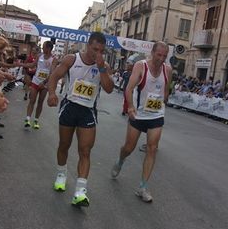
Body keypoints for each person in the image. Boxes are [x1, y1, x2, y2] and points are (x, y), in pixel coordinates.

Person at [47, 32, 114, 207]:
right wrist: (52, 93)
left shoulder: (103, 66)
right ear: (87, 45)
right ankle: (61, 174)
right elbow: (54, 76)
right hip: (69, 107)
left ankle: (80, 191)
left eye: (101, 50)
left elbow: (108, 89)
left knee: (85, 151)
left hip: (88, 112)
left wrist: (101, 68)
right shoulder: (71, 59)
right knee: (64, 145)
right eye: (94, 49)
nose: (97, 53)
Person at [111, 41, 172, 203]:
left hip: (156, 115)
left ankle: (142, 187)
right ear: (152, 53)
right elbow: (129, 88)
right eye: (159, 55)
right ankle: (120, 160)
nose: (161, 58)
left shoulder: (168, 70)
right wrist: (130, 106)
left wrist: (161, 100)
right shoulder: (141, 66)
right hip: (138, 115)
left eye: (165, 56)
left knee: (152, 149)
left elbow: (166, 91)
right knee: (129, 148)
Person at [23, 41, 57, 129]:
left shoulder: (54, 59)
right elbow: (33, 64)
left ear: (49, 48)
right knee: (32, 100)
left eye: (44, 47)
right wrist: (23, 64)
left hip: (45, 84)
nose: (42, 48)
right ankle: (27, 119)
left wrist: (44, 82)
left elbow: (52, 73)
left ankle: (36, 121)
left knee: (40, 102)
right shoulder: (39, 56)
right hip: (36, 81)